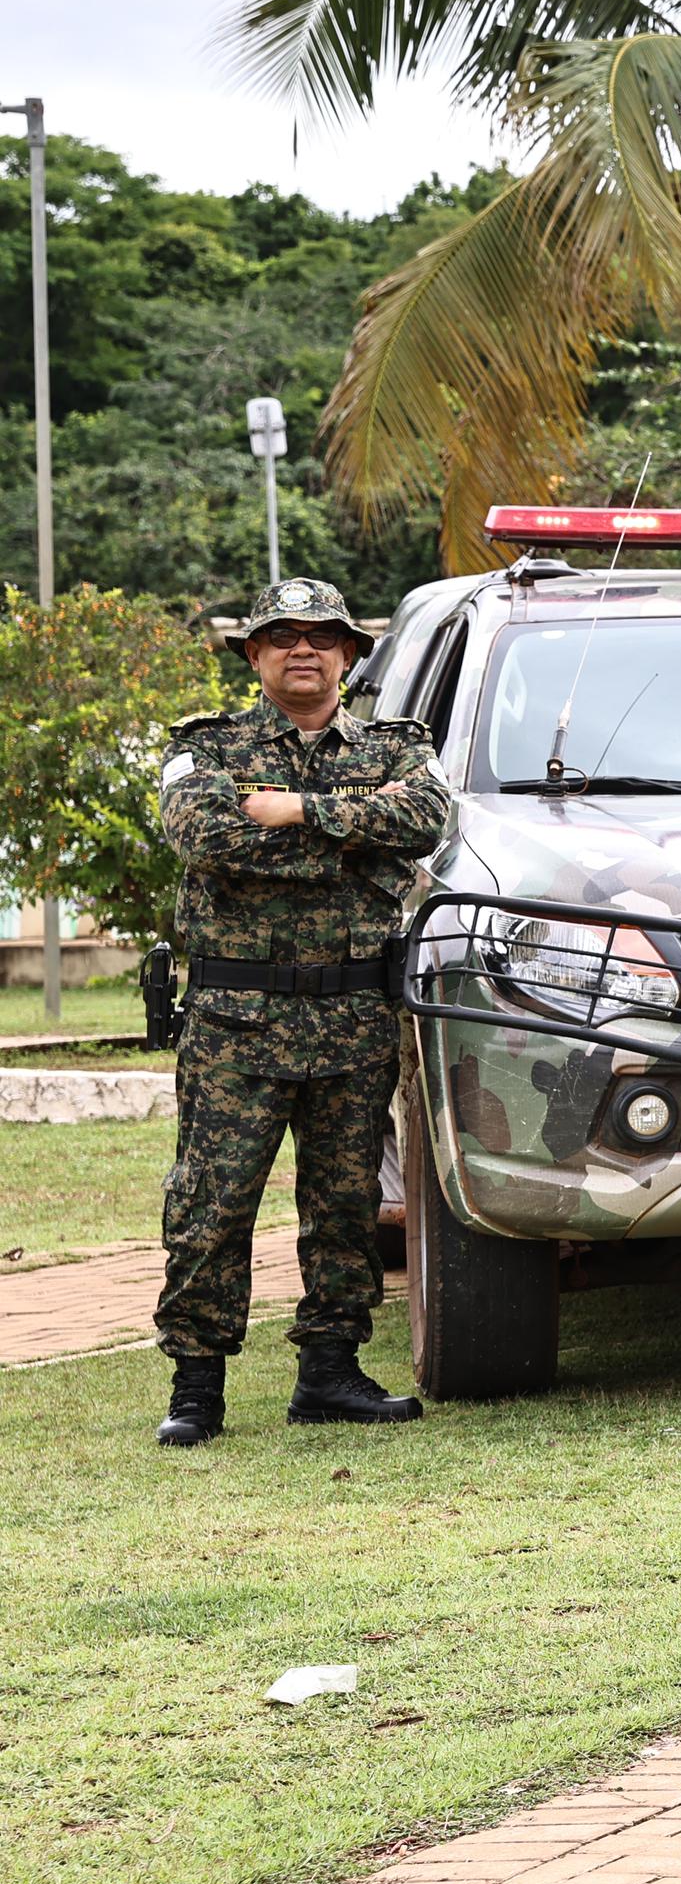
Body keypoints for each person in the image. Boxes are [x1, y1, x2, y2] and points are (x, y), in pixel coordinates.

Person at [149, 577, 452, 1444]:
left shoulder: (399, 748)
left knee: (348, 1207)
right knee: (211, 1204)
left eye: (322, 635)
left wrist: (295, 813)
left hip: (354, 1019)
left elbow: (428, 816)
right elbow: (202, 834)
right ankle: (196, 1386)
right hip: (234, 1022)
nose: (303, 648)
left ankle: (331, 1371)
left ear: (352, 654)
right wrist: (353, 841)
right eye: (281, 635)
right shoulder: (206, 747)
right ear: (254, 655)